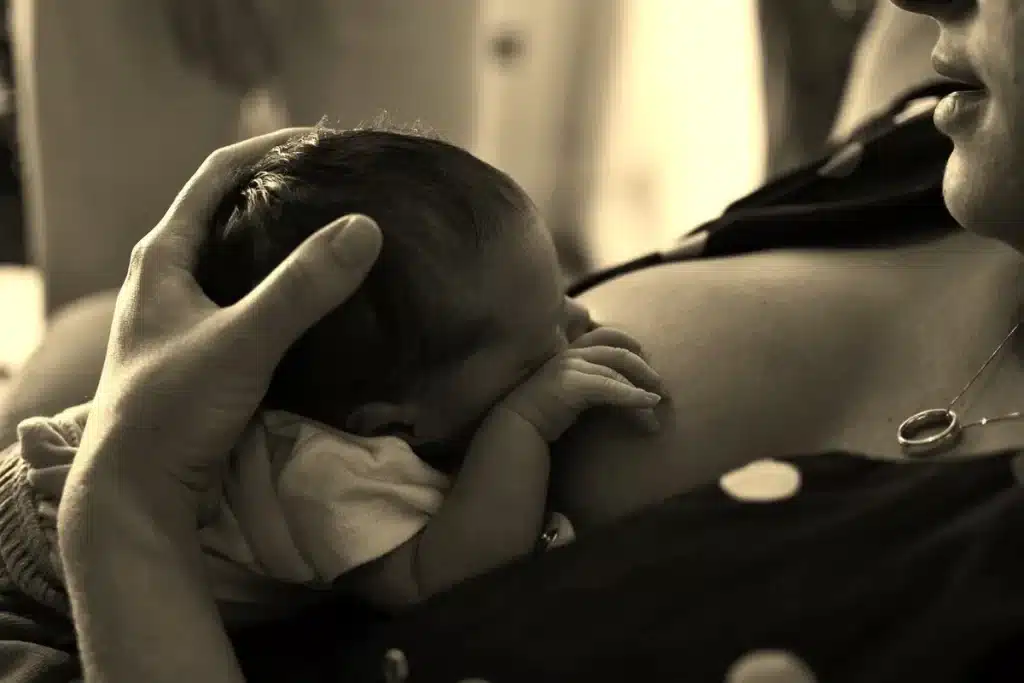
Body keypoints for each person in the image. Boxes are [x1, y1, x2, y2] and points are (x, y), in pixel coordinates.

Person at [3, 0, 1024, 680]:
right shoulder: (940, 142)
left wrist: (124, 505)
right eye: (539, 333)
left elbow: (433, 573)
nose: (581, 320)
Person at [3, 122, 667, 628]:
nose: (577, 324)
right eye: (533, 356)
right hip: (37, 580)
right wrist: (523, 424)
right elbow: (436, 577)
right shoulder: (328, 469)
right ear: (392, 423)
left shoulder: (371, 397)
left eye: (560, 294)